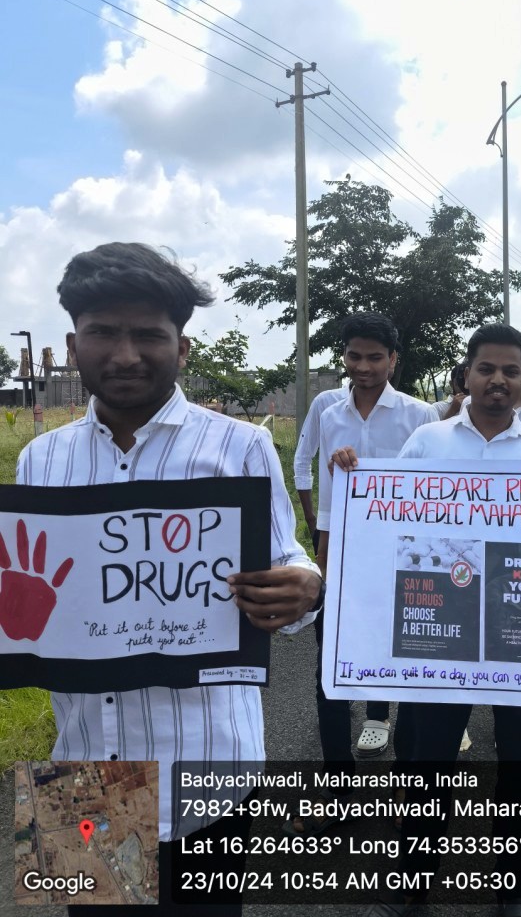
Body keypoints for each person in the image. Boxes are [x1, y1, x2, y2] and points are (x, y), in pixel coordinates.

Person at [15, 243, 323, 916]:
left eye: (148, 335)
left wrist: (305, 586)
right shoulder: (41, 460)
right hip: (82, 767)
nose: (125, 355)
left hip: (206, 770)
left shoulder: (238, 447)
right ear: (73, 344)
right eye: (103, 332)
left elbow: (287, 558)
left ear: (181, 348)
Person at [345, 325, 521, 917]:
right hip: (440, 628)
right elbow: (386, 519)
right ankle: (411, 883)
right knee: (426, 764)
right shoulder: (427, 441)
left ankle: (513, 885)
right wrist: (354, 477)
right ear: (468, 374)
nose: (498, 380)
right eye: (486, 369)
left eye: (511, 371)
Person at [294, 312, 434, 830]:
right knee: (330, 670)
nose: (364, 366)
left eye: (376, 357)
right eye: (355, 356)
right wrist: (322, 547)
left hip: (406, 557)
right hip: (343, 556)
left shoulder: (420, 415)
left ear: (394, 360)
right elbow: (326, 494)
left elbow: (434, 488)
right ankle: (337, 784)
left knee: (409, 666)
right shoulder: (330, 413)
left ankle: (406, 780)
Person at [294, 385, 348, 552]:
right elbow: (303, 458)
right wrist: (312, 521)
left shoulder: (410, 412)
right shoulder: (326, 403)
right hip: (333, 523)